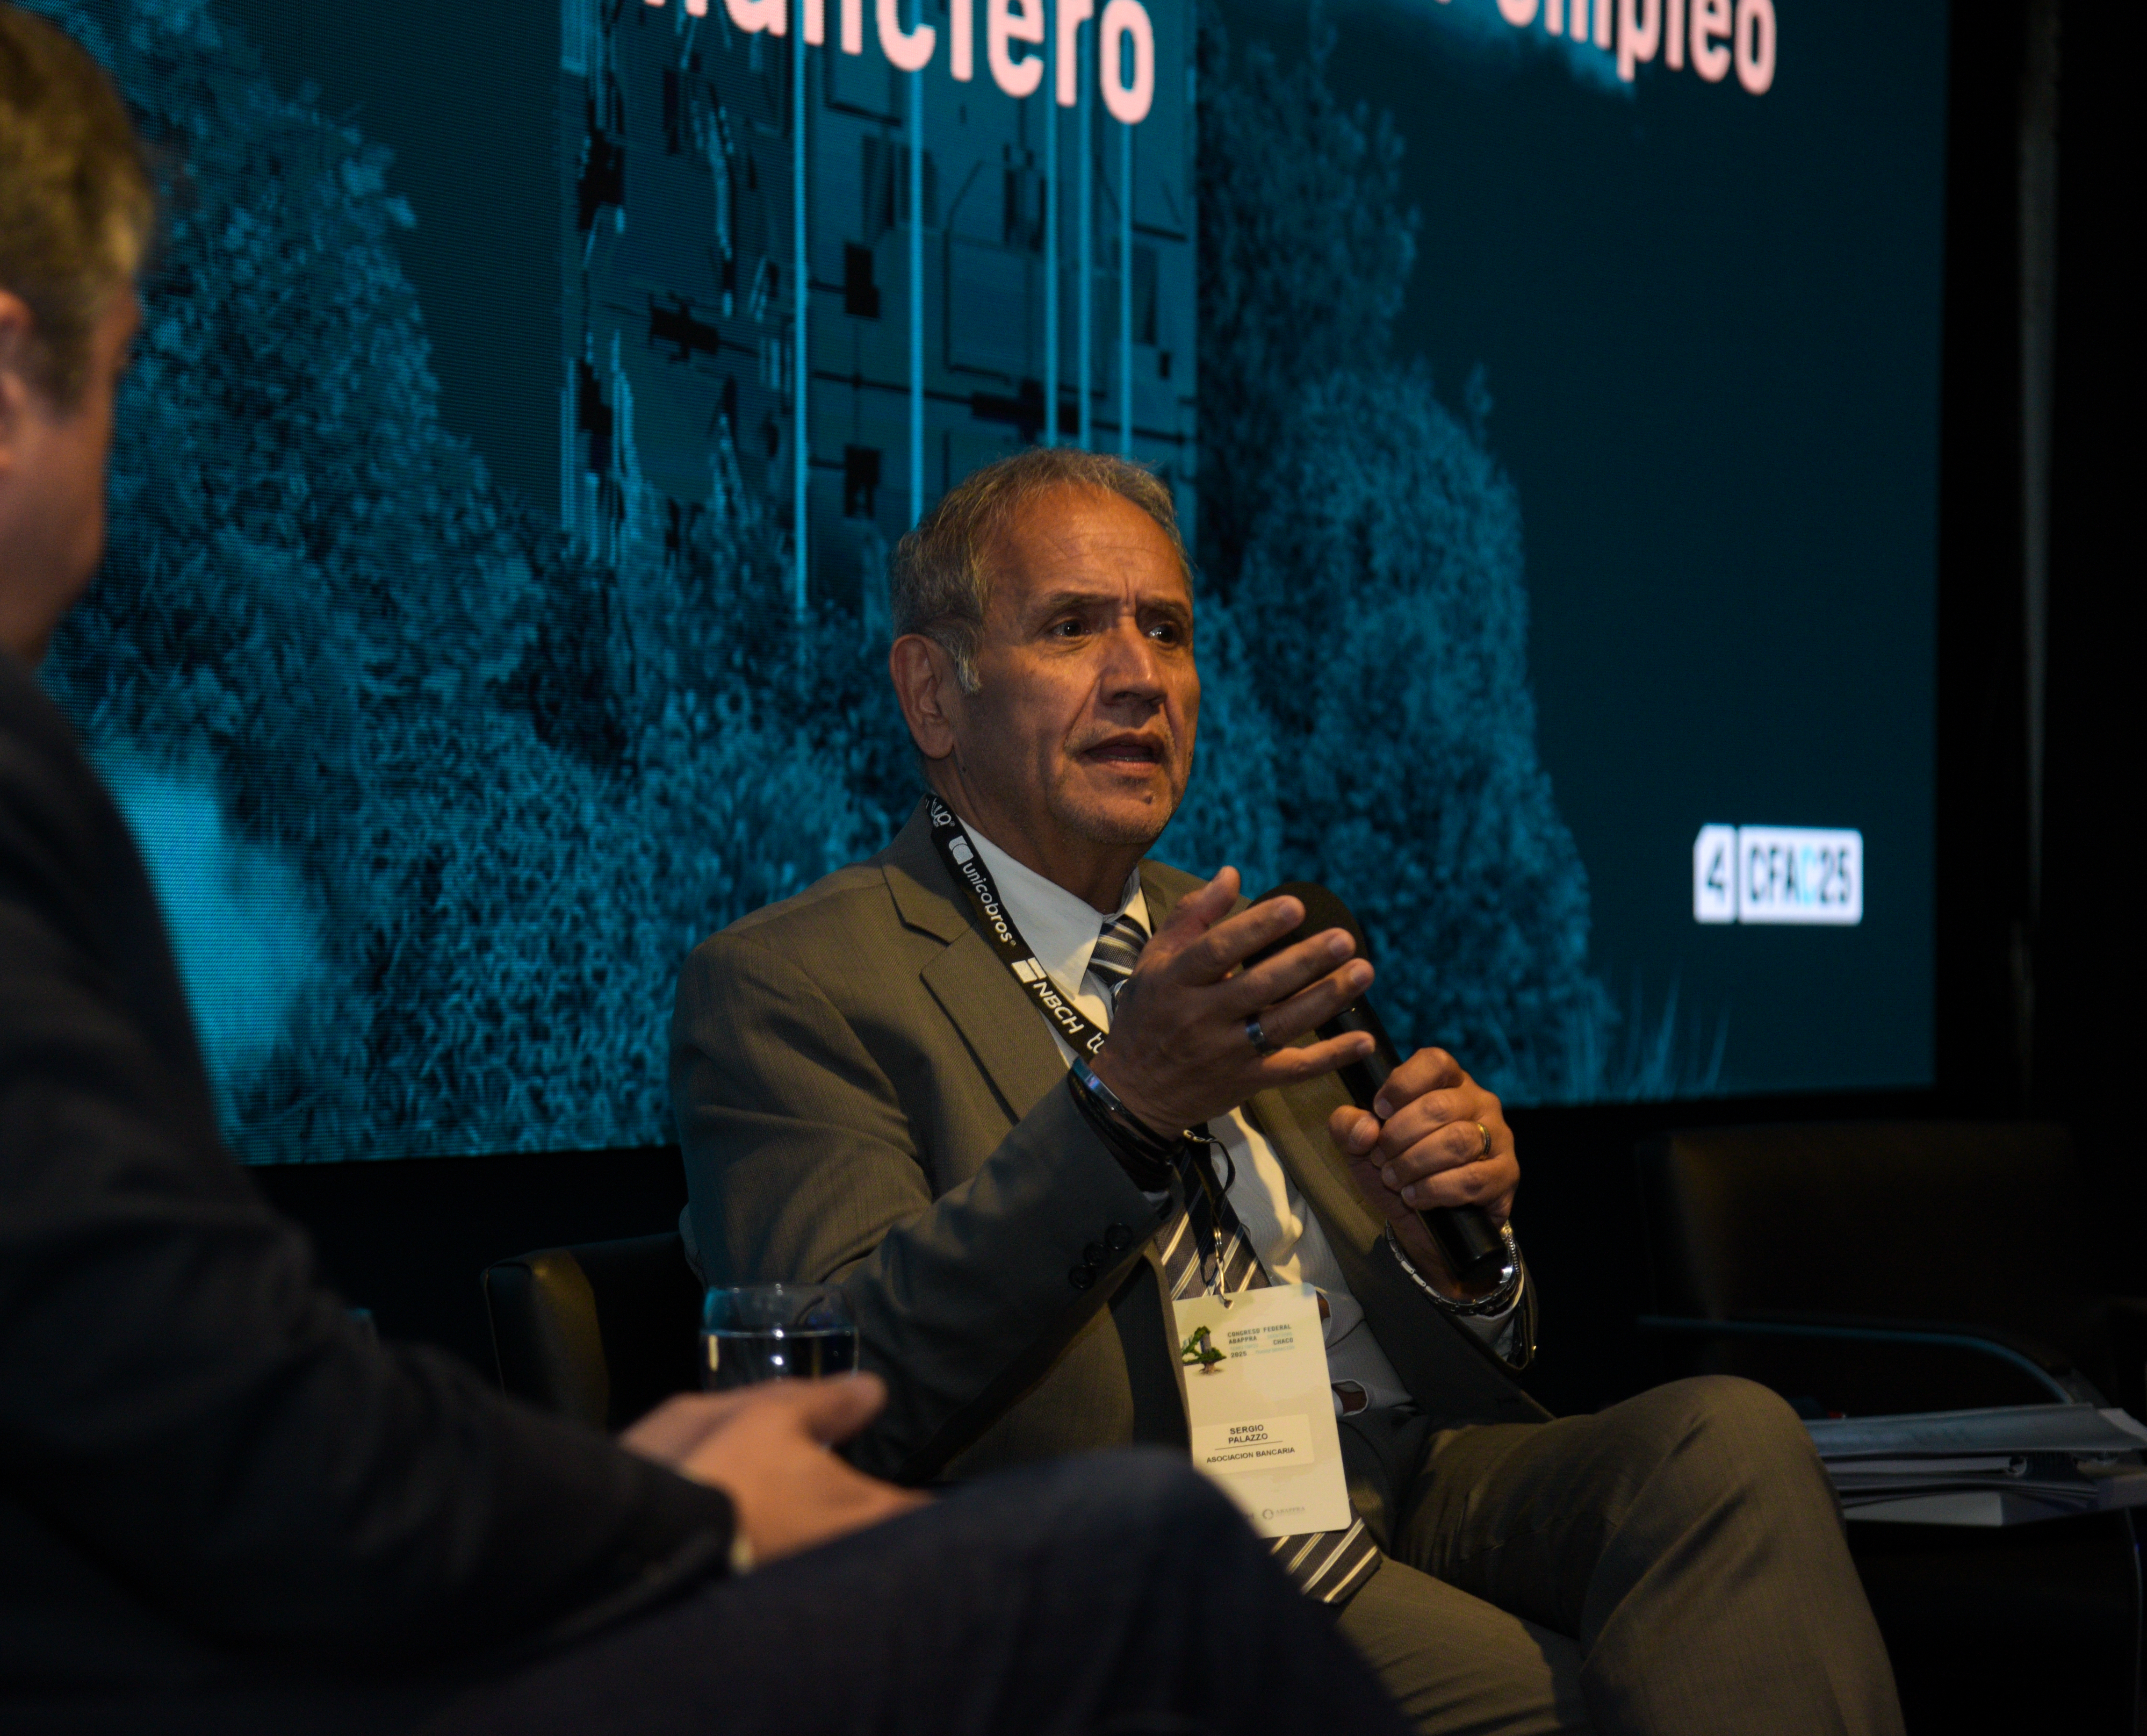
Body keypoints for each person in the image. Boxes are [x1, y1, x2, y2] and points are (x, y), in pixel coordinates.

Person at [0, 0, 1412, 1736]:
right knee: (1132, 1562)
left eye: (1163, 630)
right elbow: (235, 1432)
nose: (99, 496)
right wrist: (690, 1507)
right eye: (116, 385)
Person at [674, 448, 1906, 1735]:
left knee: (1729, 1444)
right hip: (1146, 1547)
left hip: (1398, 1470)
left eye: (1166, 630)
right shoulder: (793, 984)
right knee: (1603, 1705)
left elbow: (1483, 1339)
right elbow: (843, 1393)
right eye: (1072, 628)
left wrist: (1453, 1250)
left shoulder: (1253, 938)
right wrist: (1122, 1108)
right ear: (933, 692)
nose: (1139, 676)